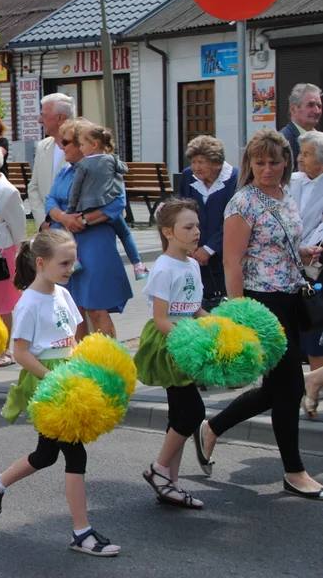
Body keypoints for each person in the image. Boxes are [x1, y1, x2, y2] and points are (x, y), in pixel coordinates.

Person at [194, 128, 323, 498]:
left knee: (274, 390)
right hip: (259, 303)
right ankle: (295, 471)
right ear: (250, 164)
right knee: (290, 386)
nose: (267, 169)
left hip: (290, 299)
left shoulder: (285, 196)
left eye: (274, 162)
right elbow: (233, 263)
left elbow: (282, 246)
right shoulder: (243, 202)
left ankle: (211, 428)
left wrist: (304, 254)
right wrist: (240, 313)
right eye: (259, 162)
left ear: (286, 164)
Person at [0, 229, 120, 556]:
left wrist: (83, 368)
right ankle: (82, 533)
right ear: (41, 263)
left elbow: (71, 338)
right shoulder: (29, 303)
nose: (71, 267)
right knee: (76, 454)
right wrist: (54, 379)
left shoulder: (63, 294)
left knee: (46, 455)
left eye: (73, 261)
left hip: (68, 379)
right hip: (47, 384)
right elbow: (20, 353)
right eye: (64, 262)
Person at [134, 199, 207, 509]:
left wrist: (218, 325)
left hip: (189, 340)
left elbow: (194, 307)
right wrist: (190, 338)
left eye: (197, 226)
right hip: (170, 344)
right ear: (168, 232)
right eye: (188, 227)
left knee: (179, 414)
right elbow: (162, 318)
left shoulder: (192, 264)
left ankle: (170, 484)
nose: (196, 232)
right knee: (193, 412)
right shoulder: (164, 268)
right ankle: (159, 470)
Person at [44, 119, 133, 338]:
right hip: (66, 243)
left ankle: (109, 360)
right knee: (72, 308)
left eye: (66, 142)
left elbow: (117, 204)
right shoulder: (66, 170)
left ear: (84, 145)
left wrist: (81, 221)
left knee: (96, 306)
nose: (62, 147)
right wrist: (64, 218)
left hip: (94, 242)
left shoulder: (105, 168)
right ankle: (80, 359)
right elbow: (50, 200)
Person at [68, 123, 148, 280]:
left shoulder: (82, 164)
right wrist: (114, 158)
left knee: (73, 231)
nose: (81, 148)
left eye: (83, 144)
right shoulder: (111, 159)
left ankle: (76, 260)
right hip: (108, 206)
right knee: (125, 234)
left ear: (95, 144)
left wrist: (71, 209)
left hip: (88, 207)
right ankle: (138, 265)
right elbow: (124, 169)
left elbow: (75, 188)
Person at [177, 135, 237, 309]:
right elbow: (182, 212)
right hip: (194, 255)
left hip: (225, 254)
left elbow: (234, 221)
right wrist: (189, 246)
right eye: (193, 162)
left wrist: (209, 249)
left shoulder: (235, 179)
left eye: (201, 162)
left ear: (217, 163)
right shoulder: (188, 176)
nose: (196, 167)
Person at [0, 144, 27, 368]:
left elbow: (19, 227)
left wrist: (16, 250)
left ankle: (3, 349)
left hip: (1, 251)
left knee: (2, 304)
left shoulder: (7, 191)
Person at [293, 130, 323, 369]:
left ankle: (316, 379)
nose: (300, 158)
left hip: (316, 263)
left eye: (307, 154)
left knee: (315, 320)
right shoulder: (293, 181)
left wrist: (306, 249)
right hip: (291, 260)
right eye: (300, 153)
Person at [27, 93, 76, 221]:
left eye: (44, 115)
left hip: (75, 227)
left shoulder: (82, 148)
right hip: (48, 228)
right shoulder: (43, 146)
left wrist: (64, 219)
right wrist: (43, 220)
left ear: (60, 118)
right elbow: (34, 187)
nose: (39, 120)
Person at [279, 83, 321, 160]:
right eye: (310, 105)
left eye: (319, 106)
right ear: (293, 109)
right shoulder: (284, 140)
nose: (317, 111)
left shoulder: (319, 138)